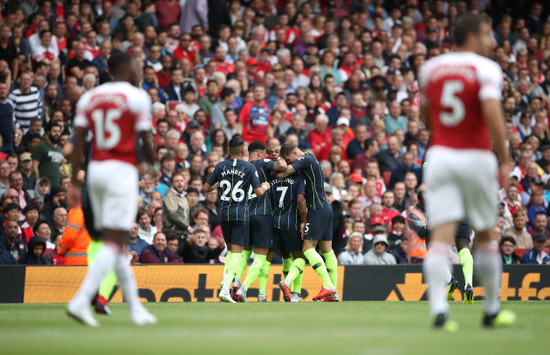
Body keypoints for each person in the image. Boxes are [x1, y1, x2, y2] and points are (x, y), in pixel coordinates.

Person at [420, 14, 515, 330]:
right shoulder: (486, 68)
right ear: (472, 37)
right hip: (475, 156)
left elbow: (424, 112)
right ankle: (491, 310)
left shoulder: (431, 68)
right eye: (487, 34)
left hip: (441, 156)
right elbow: (492, 111)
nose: (492, 41)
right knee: (486, 233)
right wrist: (504, 157)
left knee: (440, 237)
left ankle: (439, 311)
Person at [67, 52, 157, 327]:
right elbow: (145, 139)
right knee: (114, 239)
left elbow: (78, 142)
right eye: (136, 67)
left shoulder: (90, 96)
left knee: (117, 243)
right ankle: (80, 302)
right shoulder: (137, 97)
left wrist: (73, 181)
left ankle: (135, 310)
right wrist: (153, 167)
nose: (139, 73)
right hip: (121, 171)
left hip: (96, 171)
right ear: (125, 68)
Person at [202, 135, 271, 303]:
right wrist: (266, 186)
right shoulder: (247, 167)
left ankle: (224, 282)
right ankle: (226, 287)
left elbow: (206, 188)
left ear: (227, 150)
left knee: (231, 251)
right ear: (243, 151)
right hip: (240, 214)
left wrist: (220, 182)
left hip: (224, 214)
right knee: (236, 254)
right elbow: (258, 192)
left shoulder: (220, 166)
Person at [276, 141, 340, 302]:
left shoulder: (305, 159)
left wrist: (278, 165)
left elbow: (283, 173)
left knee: (306, 249)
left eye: (290, 159)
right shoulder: (311, 160)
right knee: (327, 250)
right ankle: (334, 291)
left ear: (295, 154)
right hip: (325, 207)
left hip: (317, 209)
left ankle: (328, 286)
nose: (291, 163)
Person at [234, 141, 286, 302]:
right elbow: (282, 166)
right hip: (262, 215)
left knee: (245, 252)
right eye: (266, 153)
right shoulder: (261, 162)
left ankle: (235, 281)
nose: (268, 156)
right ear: (259, 153)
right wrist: (279, 157)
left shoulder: (240, 168)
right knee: (261, 256)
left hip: (244, 215)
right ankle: (243, 289)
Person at [31, 122, 63, 188]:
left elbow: (59, 167)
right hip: (43, 187)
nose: (57, 134)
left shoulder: (60, 148)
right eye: (54, 131)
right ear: (48, 132)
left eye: (59, 131)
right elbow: (34, 166)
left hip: (56, 186)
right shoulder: (41, 146)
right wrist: (38, 182)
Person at [162, 173, 191, 239]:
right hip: (172, 234)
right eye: (176, 181)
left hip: (182, 234)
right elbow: (173, 215)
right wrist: (188, 227)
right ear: (172, 184)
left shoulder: (183, 196)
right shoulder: (170, 196)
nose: (179, 183)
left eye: (181, 181)